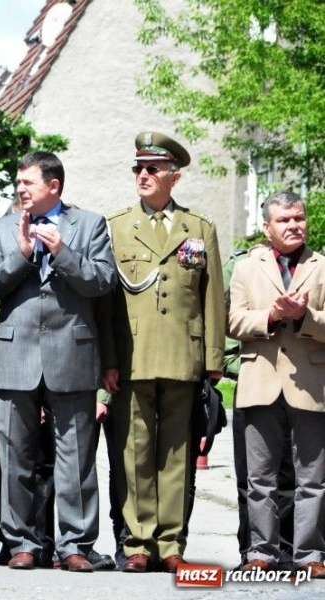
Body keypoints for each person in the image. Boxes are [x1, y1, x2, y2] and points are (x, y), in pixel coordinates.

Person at [0, 152, 116, 572]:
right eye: (18, 182)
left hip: (71, 353)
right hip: (14, 352)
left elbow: (103, 281)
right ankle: (21, 542)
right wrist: (22, 253)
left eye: (28, 182)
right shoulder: (2, 227)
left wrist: (63, 254)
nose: (20, 188)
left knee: (75, 458)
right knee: (13, 456)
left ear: (53, 186)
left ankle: (74, 544)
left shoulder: (90, 224)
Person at [103, 132, 224, 573]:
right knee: (134, 453)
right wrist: (108, 360)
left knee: (177, 453)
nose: (143, 176)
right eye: (138, 169)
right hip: (132, 355)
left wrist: (213, 361)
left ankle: (171, 543)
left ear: (174, 175)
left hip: (182, 355)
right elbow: (107, 304)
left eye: (152, 169)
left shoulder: (199, 229)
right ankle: (138, 541)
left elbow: (212, 298)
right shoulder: (115, 226)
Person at [227, 191, 325, 579]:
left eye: (298, 218)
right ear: (267, 227)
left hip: (311, 383)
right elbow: (233, 322)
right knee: (260, 477)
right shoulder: (246, 268)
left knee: (313, 478)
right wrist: (271, 315)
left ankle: (310, 555)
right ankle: (261, 552)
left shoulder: (322, 265)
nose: (294, 225)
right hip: (259, 380)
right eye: (284, 220)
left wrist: (305, 316)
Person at [223, 245, 296, 568]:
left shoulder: (312, 267)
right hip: (254, 386)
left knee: (294, 477)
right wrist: (249, 369)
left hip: (300, 388)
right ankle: (253, 551)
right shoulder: (242, 267)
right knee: (252, 478)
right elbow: (227, 339)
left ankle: (292, 551)